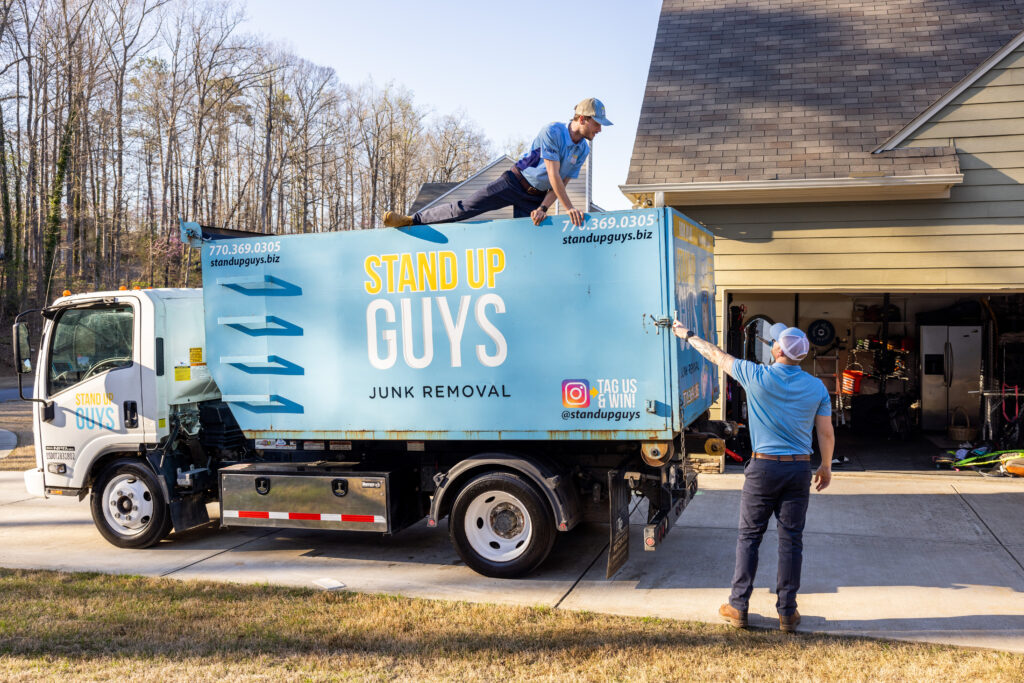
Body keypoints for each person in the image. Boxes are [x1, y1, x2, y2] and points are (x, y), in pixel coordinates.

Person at [671, 320, 834, 633]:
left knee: (749, 537)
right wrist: (825, 466)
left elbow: (715, 355)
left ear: (777, 349)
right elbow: (825, 432)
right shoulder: (816, 387)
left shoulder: (756, 375)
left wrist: (687, 335)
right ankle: (787, 611)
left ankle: (739, 605)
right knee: (791, 541)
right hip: (799, 469)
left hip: (763, 469)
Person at [382, 98, 611, 229]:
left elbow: (560, 183)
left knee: (531, 238)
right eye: (596, 124)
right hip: (514, 182)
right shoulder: (552, 131)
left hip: (535, 198)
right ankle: (413, 219)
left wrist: (542, 208)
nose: (599, 129)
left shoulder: (582, 150)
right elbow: (553, 174)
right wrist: (569, 208)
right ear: (582, 119)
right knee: (467, 207)